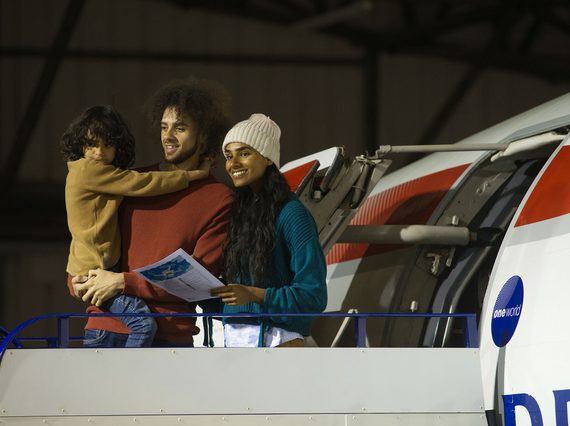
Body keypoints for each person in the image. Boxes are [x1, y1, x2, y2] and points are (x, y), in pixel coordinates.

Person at [69, 78, 234, 347]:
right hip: (103, 330)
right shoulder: (130, 182)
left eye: (180, 128)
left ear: (204, 135)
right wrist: (79, 278)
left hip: (167, 337)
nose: (168, 136)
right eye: (164, 127)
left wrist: (123, 282)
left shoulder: (218, 198)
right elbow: (88, 239)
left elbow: (197, 279)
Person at [210, 113, 327, 347]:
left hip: (278, 341)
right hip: (232, 340)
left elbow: (313, 296)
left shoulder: (292, 214)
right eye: (228, 156)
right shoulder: (239, 213)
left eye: (244, 153)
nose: (233, 164)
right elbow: (238, 298)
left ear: (267, 158)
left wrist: (255, 295)